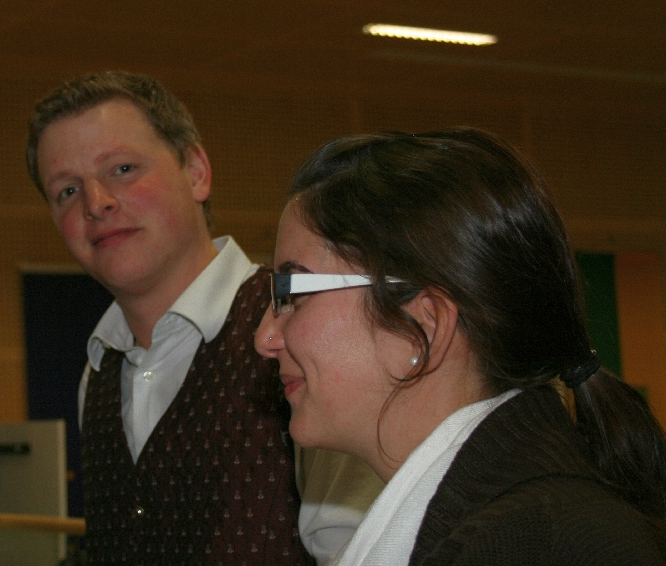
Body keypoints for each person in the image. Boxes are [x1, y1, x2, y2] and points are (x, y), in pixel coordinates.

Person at [255, 128, 666, 566]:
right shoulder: (505, 522)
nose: (265, 338)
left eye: (292, 292)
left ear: (423, 324)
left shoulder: (534, 545)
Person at [27, 71, 383, 564]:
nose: (97, 203)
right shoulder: (97, 374)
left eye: (123, 169)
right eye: (67, 191)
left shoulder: (303, 329)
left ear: (196, 171)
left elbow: (359, 551)